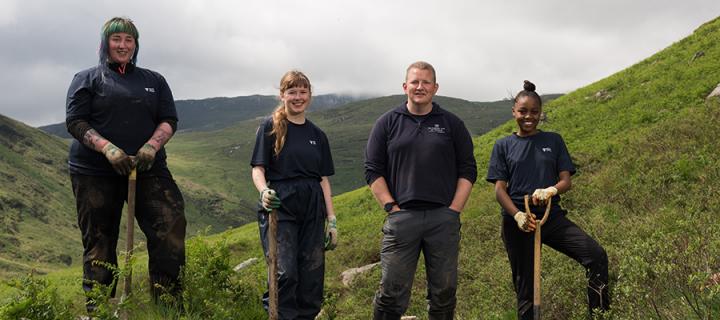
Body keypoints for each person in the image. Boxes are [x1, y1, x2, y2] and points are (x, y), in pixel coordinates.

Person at [65, 17, 186, 312]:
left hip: (147, 168)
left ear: (136, 45)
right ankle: (100, 311)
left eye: (129, 40)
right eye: (117, 39)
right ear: (105, 43)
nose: (123, 45)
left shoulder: (154, 81)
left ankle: (167, 308)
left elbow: (168, 120)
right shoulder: (87, 79)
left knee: (170, 227)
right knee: (99, 240)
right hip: (94, 171)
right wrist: (107, 148)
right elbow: (75, 121)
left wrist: (151, 146)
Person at [486, 80, 610, 319]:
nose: (528, 116)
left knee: (595, 256)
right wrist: (518, 215)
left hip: (550, 216)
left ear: (540, 113)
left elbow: (566, 180)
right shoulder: (503, 145)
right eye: (523, 111)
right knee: (526, 289)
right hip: (519, 221)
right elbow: (499, 189)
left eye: (534, 111)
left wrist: (552, 190)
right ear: (514, 112)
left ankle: (600, 315)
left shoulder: (553, 141)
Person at [365, 61, 477, 320]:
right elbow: (373, 170)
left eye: (426, 82)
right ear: (405, 86)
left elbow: (468, 169)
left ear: (435, 88)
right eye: (415, 82)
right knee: (391, 292)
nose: (420, 87)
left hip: (443, 218)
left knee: (444, 293)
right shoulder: (387, 123)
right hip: (402, 219)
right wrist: (392, 208)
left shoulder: (451, 124)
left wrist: (454, 210)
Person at [250, 70, 338, 320]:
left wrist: (331, 219)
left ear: (310, 95)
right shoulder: (270, 127)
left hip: (312, 205)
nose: (298, 97)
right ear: (282, 95)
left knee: (312, 274)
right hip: (281, 203)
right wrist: (264, 191)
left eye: (303, 91)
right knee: (284, 272)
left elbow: (323, 179)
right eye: (292, 92)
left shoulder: (318, 135)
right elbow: (258, 169)